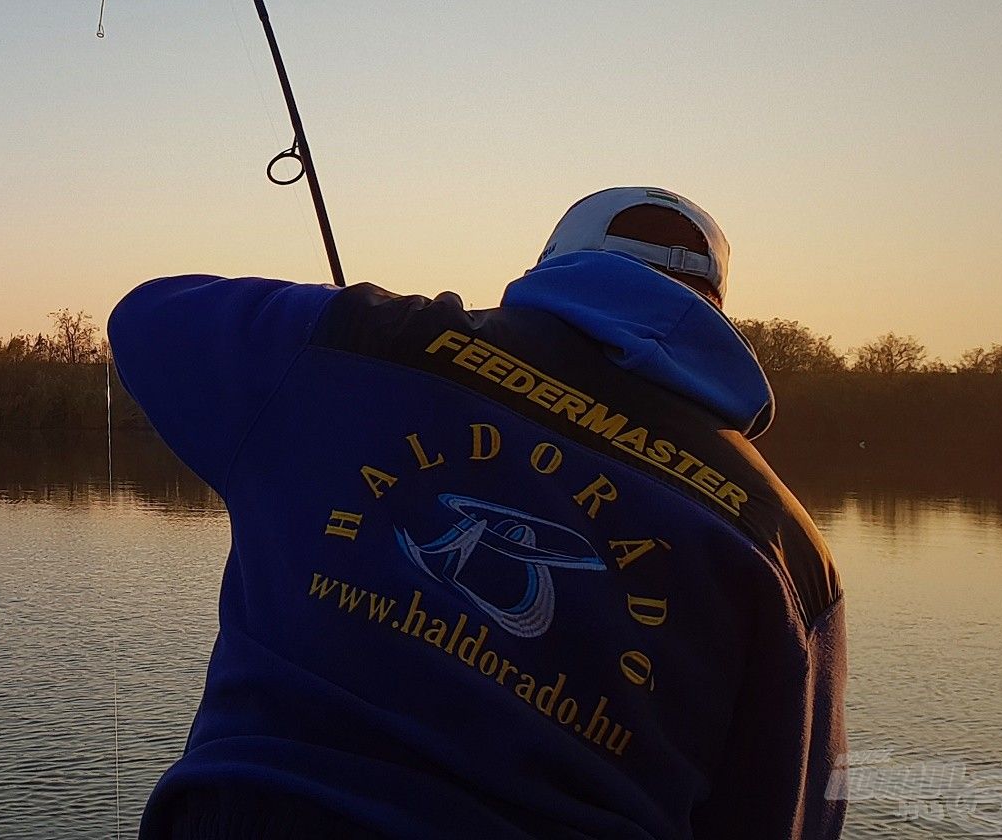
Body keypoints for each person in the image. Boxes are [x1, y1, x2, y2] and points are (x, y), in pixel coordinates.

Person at [108, 187, 845, 840]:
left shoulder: (363, 346)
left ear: (551, 268)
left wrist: (379, 326)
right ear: (714, 307)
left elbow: (149, 317)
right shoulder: (785, 548)